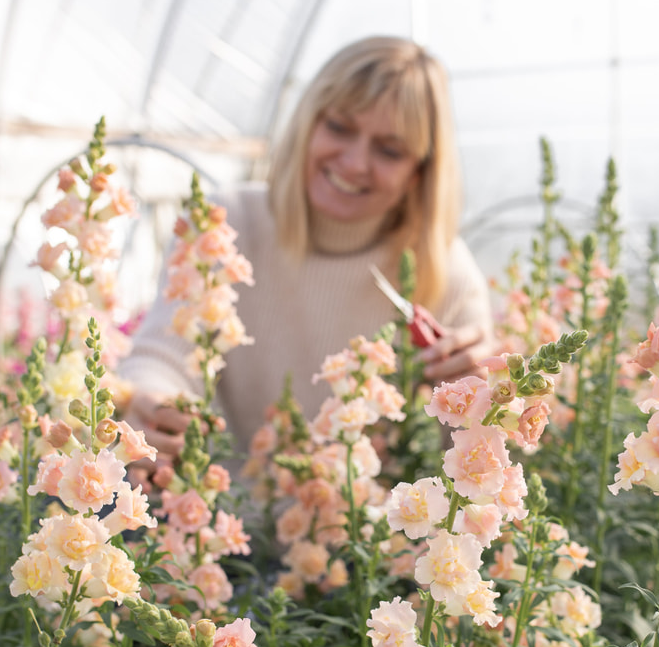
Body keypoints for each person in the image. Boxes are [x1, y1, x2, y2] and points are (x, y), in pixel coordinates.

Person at [119, 36, 495, 463]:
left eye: (389, 151)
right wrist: (152, 403)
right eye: (339, 127)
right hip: (228, 518)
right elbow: (165, 354)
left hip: (371, 525)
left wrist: (478, 397)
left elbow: (472, 468)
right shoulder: (227, 224)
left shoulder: (444, 270)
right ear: (308, 123)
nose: (355, 163)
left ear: (419, 172)